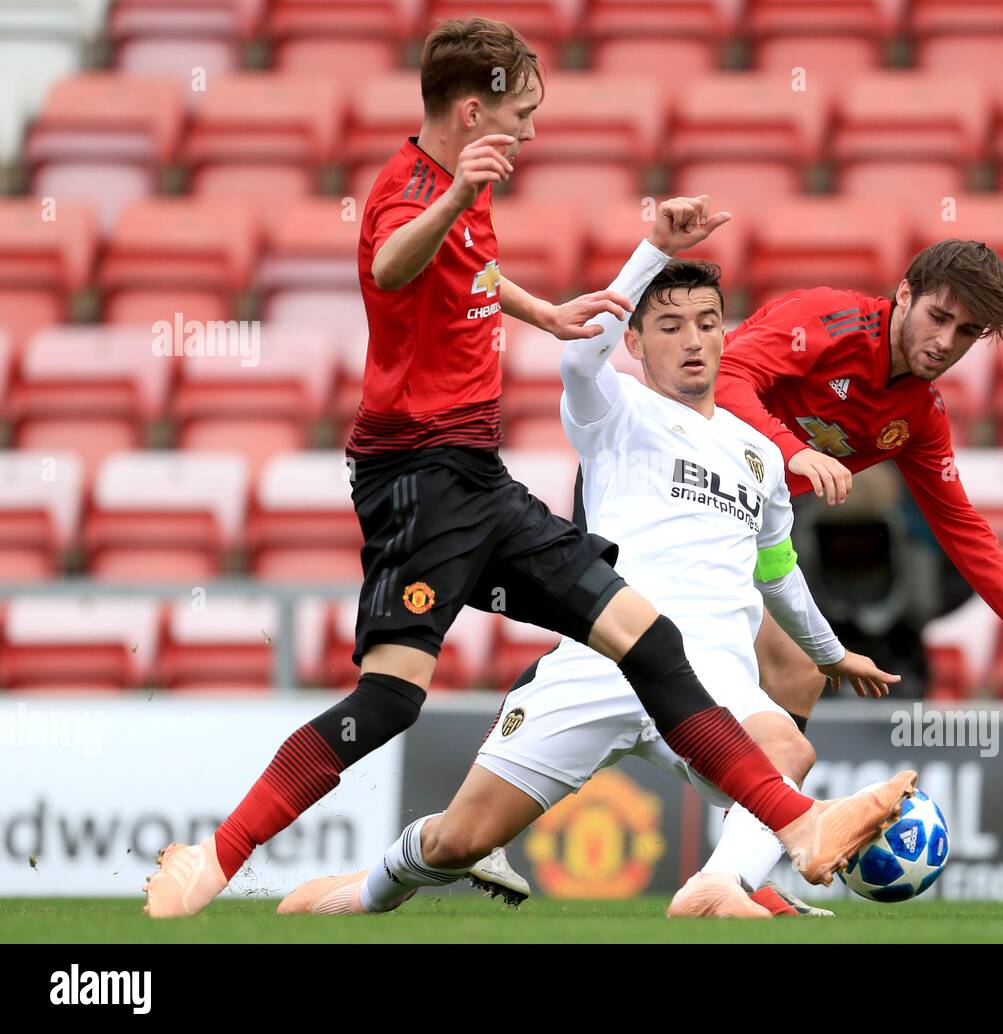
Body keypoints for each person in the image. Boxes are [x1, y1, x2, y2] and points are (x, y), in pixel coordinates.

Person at [141, 20, 912, 916]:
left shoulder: (465, 191)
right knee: (390, 700)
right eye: (522, 113)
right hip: (417, 481)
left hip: (478, 476)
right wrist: (454, 198)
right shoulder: (411, 189)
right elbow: (391, 268)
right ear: (474, 113)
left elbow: (465, 271)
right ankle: (217, 858)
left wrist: (538, 310)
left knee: (648, 639)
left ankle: (795, 825)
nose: (532, 131)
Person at [277, 197, 916, 920]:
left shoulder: (761, 454)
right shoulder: (614, 412)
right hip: (602, 662)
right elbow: (580, 354)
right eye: (669, 326)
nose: (694, 340)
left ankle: (715, 888)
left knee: (786, 750)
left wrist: (830, 655)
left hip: (710, 676)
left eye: (708, 324)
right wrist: (651, 248)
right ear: (636, 343)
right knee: (459, 842)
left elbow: (777, 573)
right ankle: (359, 897)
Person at [715, 241, 1003, 730]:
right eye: (939, 317)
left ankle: (755, 804)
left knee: (796, 678)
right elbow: (725, 374)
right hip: (671, 490)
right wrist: (793, 449)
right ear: (906, 294)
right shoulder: (827, 318)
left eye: (967, 332)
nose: (945, 341)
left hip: (743, 530)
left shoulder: (919, 416)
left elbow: (958, 523)